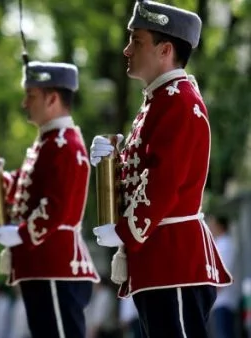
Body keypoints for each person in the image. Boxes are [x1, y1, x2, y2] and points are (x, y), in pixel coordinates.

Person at [90, 1, 232, 337]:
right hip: (159, 261)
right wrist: (110, 162)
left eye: (136, 41)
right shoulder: (159, 101)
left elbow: (164, 185)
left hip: (174, 261)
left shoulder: (178, 101)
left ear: (165, 49)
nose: (126, 50)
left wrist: (124, 231)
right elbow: (143, 175)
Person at [0, 61, 99, 338]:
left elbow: (55, 206)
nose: (24, 104)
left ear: (53, 99)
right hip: (42, 265)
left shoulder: (64, 144)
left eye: (31, 95)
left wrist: (21, 234)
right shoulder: (48, 143)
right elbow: (24, 191)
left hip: (56, 265)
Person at [207, 215, 238, 338]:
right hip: (219, 301)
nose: (210, 228)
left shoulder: (225, 245)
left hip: (223, 301)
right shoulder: (220, 244)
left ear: (220, 226)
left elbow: (222, 275)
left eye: (213, 224)